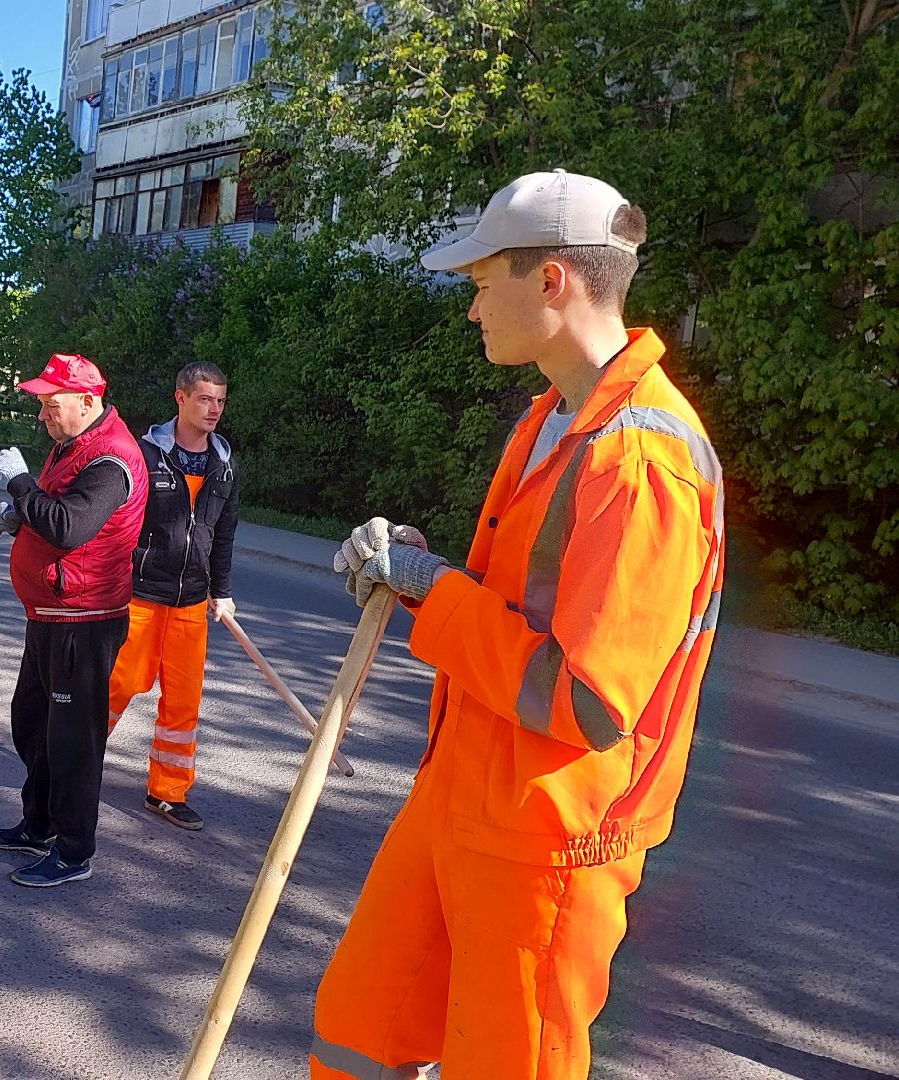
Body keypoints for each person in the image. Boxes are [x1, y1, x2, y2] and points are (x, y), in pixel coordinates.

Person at [312, 170, 725, 1079]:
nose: (470, 311)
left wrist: (433, 587)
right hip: (467, 790)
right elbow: (520, 610)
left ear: (551, 281)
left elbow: (585, 701)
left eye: (479, 281)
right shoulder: (555, 416)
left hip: (545, 839)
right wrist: (423, 578)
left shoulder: (641, 459)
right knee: (360, 1028)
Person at [0, 354, 148, 888]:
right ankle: (40, 825)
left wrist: (19, 487)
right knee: (32, 721)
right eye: (41, 405)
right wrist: (19, 519)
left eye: (51, 406)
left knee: (73, 740)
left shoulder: (110, 461)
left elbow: (70, 527)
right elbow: (50, 511)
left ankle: (74, 850)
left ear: (87, 401)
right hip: (51, 612)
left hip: (84, 619)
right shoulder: (72, 445)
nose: (42, 416)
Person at [106, 361, 240, 831]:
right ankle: (73, 761)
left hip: (192, 604)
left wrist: (221, 592)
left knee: (183, 702)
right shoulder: (147, 455)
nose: (214, 410)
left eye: (220, 401)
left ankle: (167, 792)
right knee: (118, 684)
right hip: (142, 595)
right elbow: (120, 522)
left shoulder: (224, 464)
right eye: (205, 399)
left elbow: (223, 535)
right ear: (180, 398)